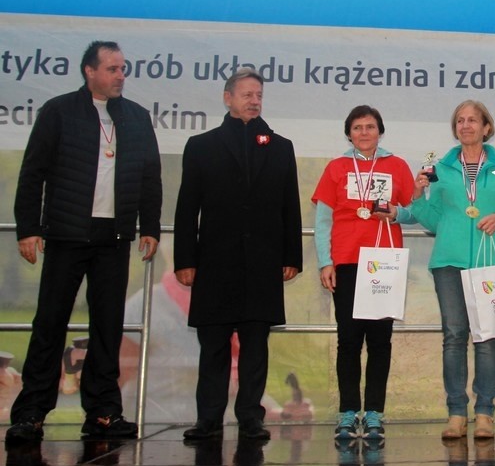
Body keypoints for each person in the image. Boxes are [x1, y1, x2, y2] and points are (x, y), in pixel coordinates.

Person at [6, 41, 162, 444]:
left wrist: (150, 226)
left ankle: (103, 412)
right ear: (89, 71)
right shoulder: (59, 111)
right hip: (66, 233)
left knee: (107, 326)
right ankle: (31, 413)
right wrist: (28, 228)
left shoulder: (136, 117)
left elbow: (150, 176)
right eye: (112, 69)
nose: (120, 75)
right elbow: (33, 172)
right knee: (50, 322)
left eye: (123, 69)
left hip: (114, 237)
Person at [174, 68, 302, 441]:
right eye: (246, 94)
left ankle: (250, 417)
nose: (254, 100)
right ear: (227, 98)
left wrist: (291, 256)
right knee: (213, 345)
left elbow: (290, 207)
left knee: (255, 345)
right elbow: (187, 208)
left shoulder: (280, 146)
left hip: (262, 262)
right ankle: (208, 419)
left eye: (258, 95)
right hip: (215, 262)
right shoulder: (201, 145)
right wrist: (185, 260)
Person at [407, 100, 495, 440]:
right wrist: (417, 196)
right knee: (454, 337)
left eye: (472, 120)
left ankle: (485, 412)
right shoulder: (441, 168)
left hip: (490, 264)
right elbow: (435, 220)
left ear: (486, 127)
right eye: (460, 121)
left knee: (487, 338)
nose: (466, 126)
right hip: (448, 262)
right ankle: (456, 413)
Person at [311, 105, 415, 441]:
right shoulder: (336, 168)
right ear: (349, 134)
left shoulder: (397, 165)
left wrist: (397, 213)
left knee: (380, 341)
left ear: (380, 131)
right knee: (349, 341)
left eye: (370, 126)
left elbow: (416, 211)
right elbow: (322, 221)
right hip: (346, 262)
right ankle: (347, 413)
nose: (364, 132)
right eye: (357, 127)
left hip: (384, 263)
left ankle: (374, 414)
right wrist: (325, 262)